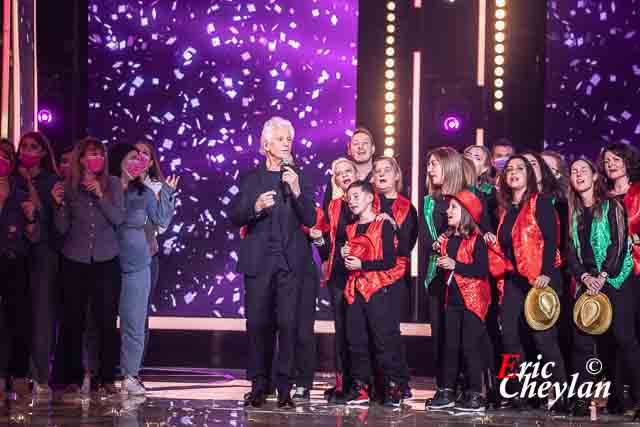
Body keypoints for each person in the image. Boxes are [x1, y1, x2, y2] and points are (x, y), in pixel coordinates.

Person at [229, 117, 316, 409]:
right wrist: (255, 207)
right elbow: (236, 216)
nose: (286, 143)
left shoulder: (298, 176)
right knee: (258, 324)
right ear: (266, 145)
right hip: (258, 262)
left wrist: (297, 188)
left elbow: (311, 219)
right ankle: (258, 384)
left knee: (287, 324)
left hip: (290, 264)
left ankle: (284, 387)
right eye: (280, 139)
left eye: (289, 138)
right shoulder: (251, 178)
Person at [566, 158, 640, 417]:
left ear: (595, 176)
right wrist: (585, 277)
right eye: (574, 172)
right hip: (587, 281)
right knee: (582, 342)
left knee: (623, 339)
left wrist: (604, 275)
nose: (578, 175)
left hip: (616, 278)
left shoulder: (611, 205)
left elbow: (619, 245)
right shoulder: (572, 212)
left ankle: (635, 398)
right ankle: (582, 399)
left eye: (583, 170)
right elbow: (570, 252)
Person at [494, 156, 568, 411]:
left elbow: (551, 239)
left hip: (540, 279)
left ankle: (560, 396)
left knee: (543, 340)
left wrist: (546, 272)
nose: (513, 172)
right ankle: (518, 393)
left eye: (519, 169)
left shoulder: (541, 202)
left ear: (530, 175)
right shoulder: (505, 209)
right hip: (514, 279)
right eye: (509, 169)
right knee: (510, 338)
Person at [52, 137, 124, 394]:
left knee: (106, 320)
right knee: (74, 320)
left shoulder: (113, 184)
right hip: (75, 260)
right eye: (92, 154)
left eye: (100, 154)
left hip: (106, 260)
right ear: (80, 158)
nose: (97, 159)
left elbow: (118, 218)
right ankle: (72, 377)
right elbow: (61, 228)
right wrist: (58, 205)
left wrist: (100, 194)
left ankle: (106, 378)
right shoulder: (68, 187)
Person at [108, 143, 178, 396]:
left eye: (141, 159)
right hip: (107, 262)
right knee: (98, 321)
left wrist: (168, 194)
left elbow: (161, 220)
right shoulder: (106, 188)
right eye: (132, 158)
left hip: (138, 264)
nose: (137, 163)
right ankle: (95, 373)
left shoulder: (145, 192)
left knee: (134, 323)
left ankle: (130, 374)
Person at [338, 180, 403, 407]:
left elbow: (389, 261)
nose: (352, 201)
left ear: (369, 198)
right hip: (354, 290)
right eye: (349, 198)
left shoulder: (382, 224)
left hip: (376, 289)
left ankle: (393, 389)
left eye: (356, 196)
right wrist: (344, 252)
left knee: (382, 341)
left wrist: (362, 265)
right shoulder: (351, 228)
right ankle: (360, 389)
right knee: (356, 340)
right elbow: (349, 260)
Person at [426, 190, 490, 412]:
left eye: (454, 207)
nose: (447, 211)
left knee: (469, 347)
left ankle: (475, 393)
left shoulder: (476, 240)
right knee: (450, 346)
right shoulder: (448, 239)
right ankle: (447, 390)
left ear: (467, 212)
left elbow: (482, 270)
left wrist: (456, 265)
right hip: (451, 300)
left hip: (472, 301)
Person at [15, 131, 60, 395]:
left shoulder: (52, 180)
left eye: (33, 147)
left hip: (44, 254)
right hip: (17, 251)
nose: (27, 151)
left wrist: (30, 183)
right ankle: (16, 372)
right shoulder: (11, 178)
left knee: (42, 315)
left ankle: (41, 376)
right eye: (23, 147)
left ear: (43, 152)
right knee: (17, 316)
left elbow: (46, 215)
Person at [311, 157, 357, 403]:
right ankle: (343, 382)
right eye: (339, 173)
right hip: (339, 273)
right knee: (342, 328)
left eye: (348, 170)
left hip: (361, 272)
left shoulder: (370, 201)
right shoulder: (333, 206)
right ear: (335, 180)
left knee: (358, 329)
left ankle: (363, 384)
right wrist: (319, 241)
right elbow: (327, 245)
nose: (345, 175)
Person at [422, 147, 465, 407]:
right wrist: (436, 244)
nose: (430, 169)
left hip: (461, 275)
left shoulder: (464, 198)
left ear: (449, 166)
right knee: (438, 332)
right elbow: (426, 240)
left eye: (435, 164)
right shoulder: (429, 202)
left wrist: (449, 238)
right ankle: (444, 386)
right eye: (428, 164)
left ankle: (464, 385)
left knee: (458, 334)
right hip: (435, 273)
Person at [371, 156, 417, 398]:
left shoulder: (406, 207)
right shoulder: (368, 203)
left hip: (393, 277)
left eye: (386, 170)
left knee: (390, 332)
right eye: (377, 170)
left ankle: (398, 382)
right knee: (372, 332)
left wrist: (391, 227)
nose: (381, 174)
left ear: (397, 176)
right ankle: (375, 383)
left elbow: (405, 246)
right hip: (367, 275)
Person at [0, 143, 39, 398]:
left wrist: (31, 218)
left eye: (6, 156)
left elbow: (33, 233)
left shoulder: (21, 190)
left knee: (18, 321)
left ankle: (16, 374)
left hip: (15, 260)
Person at [134, 141, 170, 362]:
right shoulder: (116, 184)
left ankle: (134, 369)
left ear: (151, 160)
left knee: (140, 314)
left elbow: (162, 226)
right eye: (135, 152)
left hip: (146, 255)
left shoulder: (156, 187)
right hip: (116, 255)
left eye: (145, 153)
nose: (140, 156)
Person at [323, 128, 376, 210]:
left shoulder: (381, 177)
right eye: (356, 144)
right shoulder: (336, 180)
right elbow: (326, 213)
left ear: (373, 149)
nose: (360, 147)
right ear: (349, 150)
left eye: (365, 143)